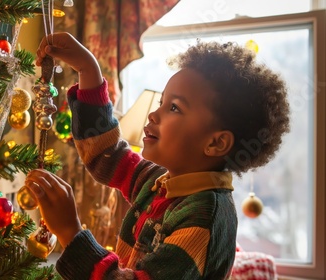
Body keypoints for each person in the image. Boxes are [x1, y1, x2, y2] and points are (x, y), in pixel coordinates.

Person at [24, 32, 290, 279]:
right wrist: (88, 69)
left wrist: (71, 233)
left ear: (216, 143)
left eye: (174, 107)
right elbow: (107, 155)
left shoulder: (204, 220)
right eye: (162, 102)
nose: (154, 114)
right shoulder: (160, 182)